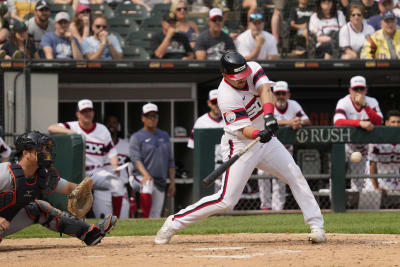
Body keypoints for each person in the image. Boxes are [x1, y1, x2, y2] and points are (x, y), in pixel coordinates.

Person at [154, 51, 326, 245]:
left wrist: (269, 116)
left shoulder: (252, 68)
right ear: (225, 75)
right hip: (240, 144)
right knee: (226, 201)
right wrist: (258, 133)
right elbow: (244, 129)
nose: (242, 80)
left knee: (295, 175)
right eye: (236, 78)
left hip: (267, 142)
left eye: (243, 76)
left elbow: (265, 91)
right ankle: (173, 222)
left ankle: (317, 226)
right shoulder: (226, 96)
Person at [0, 131, 117, 245]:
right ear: (26, 153)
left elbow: (69, 188)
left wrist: (83, 191)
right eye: (40, 149)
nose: (45, 152)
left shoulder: (41, 175)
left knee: (39, 208)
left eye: (46, 149)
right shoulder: (5, 172)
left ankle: (90, 234)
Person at [48, 99, 119, 218]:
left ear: (93, 113)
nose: (87, 114)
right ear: (78, 114)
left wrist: (115, 166)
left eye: (89, 111)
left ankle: (118, 218)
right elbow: (51, 128)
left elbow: (112, 152)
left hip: (96, 172)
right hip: (78, 172)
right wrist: (72, 133)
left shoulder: (102, 129)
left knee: (116, 183)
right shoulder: (73, 126)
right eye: (84, 111)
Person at [258, 81, 311, 211]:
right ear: (273, 95)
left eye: (283, 93)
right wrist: (289, 122)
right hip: (265, 149)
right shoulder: (267, 105)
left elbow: (308, 120)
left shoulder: (293, 105)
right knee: (263, 178)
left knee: (280, 181)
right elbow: (266, 123)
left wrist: (299, 121)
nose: (280, 96)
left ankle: (277, 210)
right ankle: (265, 206)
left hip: (285, 149)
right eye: (278, 93)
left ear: (288, 94)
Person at [333, 75, 383, 193]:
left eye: (361, 89)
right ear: (350, 90)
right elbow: (338, 122)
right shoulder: (344, 101)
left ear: (366, 89)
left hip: (363, 147)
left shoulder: (372, 102)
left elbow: (379, 121)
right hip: (346, 146)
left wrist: (365, 106)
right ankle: (333, 204)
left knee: (359, 181)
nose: (359, 92)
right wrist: (359, 123)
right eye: (356, 89)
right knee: (335, 175)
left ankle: (355, 207)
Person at [129, 103, 176, 218]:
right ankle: (144, 217)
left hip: (160, 180)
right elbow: (135, 159)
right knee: (148, 184)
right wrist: (145, 174)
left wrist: (172, 182)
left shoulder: (164, 135)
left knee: (155, 214)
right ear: (143, 118)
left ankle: (149, 232)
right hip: (139, 177)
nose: (152, 119)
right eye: (148, 116)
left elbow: (170, 160)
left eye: (154, 116)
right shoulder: (137, 136)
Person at [187, 89, 224, 191]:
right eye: (214, 102)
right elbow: (193, 147)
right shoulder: (201, 122)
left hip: (227, 164)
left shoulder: (229, 120)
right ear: (209, 103)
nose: (216, 105)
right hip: (209, 167)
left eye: (219, 101)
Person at [105, 114, 132, 219]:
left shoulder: (126, 145)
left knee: (122, 220)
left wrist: (133, 197)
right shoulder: (101, 145)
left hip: (122, 189)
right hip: (104, 189)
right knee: (103, 221)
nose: (112, 125)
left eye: (115, 122)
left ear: (119, 125)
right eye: (109, 123)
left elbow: (131, 171)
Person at [368, 110, 400, 194]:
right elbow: (372, 167)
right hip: (376, 180)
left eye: (398, 122)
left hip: (396, 181)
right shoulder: (377, 141)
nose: (396, 125)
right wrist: (376, 187)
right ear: (387, 123)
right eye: (393, 122)